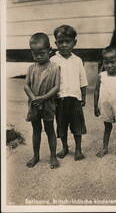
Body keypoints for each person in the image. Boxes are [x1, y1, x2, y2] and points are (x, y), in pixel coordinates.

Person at [51, 25, 88, 161]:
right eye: (61, 42)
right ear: (56, 43)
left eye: (68, 41)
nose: (64, 45)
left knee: (77, 125)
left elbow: (82, 79)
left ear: (74, 43)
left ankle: (78, 149)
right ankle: (65, 147)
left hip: (74, 99)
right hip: (59, 99)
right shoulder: (53, 61)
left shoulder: (77, 60)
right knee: (62, 125)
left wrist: (83, 96)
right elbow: (50, 81)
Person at [24, 33, 60, 169]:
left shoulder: (55, 68)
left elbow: (56, 87)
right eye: (35, 54)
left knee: (50, 129)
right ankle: (36, 155)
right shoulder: (31, 68)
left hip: (48, 104)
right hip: (34, 104)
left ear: (49, 50)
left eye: (42, 53)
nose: (38, 56)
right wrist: (33, 98)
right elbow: (26, 85)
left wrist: (43, 98)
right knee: (36, 130)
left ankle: (53, 156)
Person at [94, 45, 116, 158]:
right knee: (107, 127)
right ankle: (104, 148)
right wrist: (95, 106)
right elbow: (96, 91)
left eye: (112, 62)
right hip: (105, 107)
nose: (109, 66)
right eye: (106, 62)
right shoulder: (101, 76)